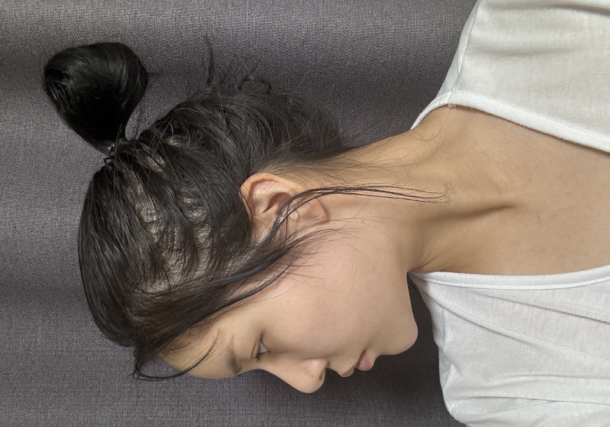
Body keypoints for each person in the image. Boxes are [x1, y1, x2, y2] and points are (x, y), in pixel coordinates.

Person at [43, 0, 610, 424]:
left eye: (262, 348)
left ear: (279, 207)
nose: (308, 383)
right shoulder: (509, 394)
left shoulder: (541, 21)